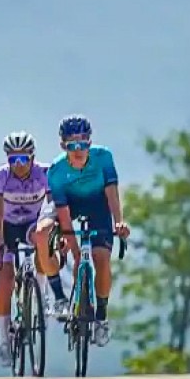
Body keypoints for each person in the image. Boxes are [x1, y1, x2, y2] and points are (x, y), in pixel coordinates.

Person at [46, 114, 130, 347]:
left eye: (83, 143)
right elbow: (62, 212)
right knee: (76, 254)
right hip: (70, 207)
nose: (78, 149)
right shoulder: (56, 170)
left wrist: (118, 222)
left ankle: (101, 316)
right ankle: (71, 300)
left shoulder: (104, 158)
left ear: (90, 143)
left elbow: (112, 192)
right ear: (63, 146)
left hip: (98, 207)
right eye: (72, 145)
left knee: (101, 258)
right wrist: (73, 249)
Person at [0, 131, 50, 366]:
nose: (18, 165)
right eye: (13, 159)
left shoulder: (44, 173)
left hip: (32, 225)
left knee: (43, 243)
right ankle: (4, 340)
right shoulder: (0, 175)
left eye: (23, 159)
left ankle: (41, 292)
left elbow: (54, 203)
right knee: (5, 281)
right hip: (8, 227)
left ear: (32, 157)